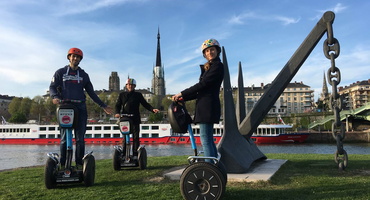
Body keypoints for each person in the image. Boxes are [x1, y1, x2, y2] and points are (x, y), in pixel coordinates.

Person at [49, 47, 113, 169]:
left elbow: (91, 93)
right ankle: (63, 164)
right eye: (73, 56)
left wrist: (103, 105)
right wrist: (55, 96)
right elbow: (52, 87)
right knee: (64, 138)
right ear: (69, 57)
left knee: (80, 138)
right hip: (64, 106)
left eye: (77, 57)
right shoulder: (60, 72)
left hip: (80, 107)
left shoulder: (84, 75)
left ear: (80, 59)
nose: (75, 58)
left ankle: (79, 164)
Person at [172, 38, 224, 161]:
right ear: (204, 54)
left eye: (212, 50)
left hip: (207, 106)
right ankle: (213, 165)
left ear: (217, 51)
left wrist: (182, 92)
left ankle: (209, 166)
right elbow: (201, 91)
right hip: (206, 105)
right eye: (207, 51)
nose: (210, 52)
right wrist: (183, 97)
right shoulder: (211, 67)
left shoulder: (217, 66)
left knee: (205, 139)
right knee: (208, 139)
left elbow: (202, 85)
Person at [115, 78, 160, 158]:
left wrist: (152, 109)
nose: (130, 86)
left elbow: (145, 104)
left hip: (135, 117)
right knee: (125, 137)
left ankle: (135, 154)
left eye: (132, 85)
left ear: (134, 86)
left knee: (136, 137)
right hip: (125, 118)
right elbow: (118, 105)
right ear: (126, 86)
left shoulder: (138, 95)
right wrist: (117, 113)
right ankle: (124, 154)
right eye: (128, 85)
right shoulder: (122, 95)